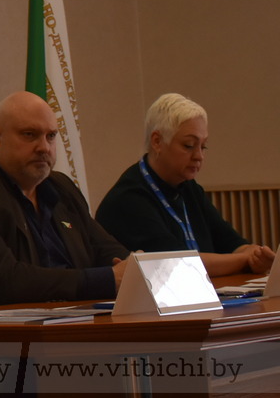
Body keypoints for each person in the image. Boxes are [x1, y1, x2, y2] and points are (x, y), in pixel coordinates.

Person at [0, 91, 129, 313]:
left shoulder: (61, 187)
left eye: (51, 136)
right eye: (30, 135)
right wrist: (105, 280)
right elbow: (5, 280)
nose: (44, 147)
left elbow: (105, 249)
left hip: (73, 322)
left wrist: (133, 268)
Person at [95, 93, 275, 277]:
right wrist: (245, 259)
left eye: (203, 146)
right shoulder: (128, 199)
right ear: (157, 142)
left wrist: (255, 254)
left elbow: (231, 242)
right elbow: (179, 265)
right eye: (189, 145)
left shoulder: (189, 187)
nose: (199, 156)